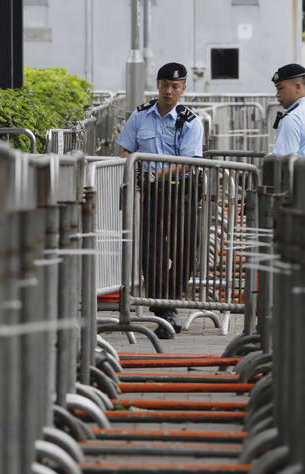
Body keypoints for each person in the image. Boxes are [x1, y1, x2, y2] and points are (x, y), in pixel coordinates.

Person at [117, 62, 204, 339]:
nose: (168, 91)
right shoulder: (140, 116)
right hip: (153, 195)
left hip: (182, 193)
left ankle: (169, 302)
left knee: (185, 254)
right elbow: (126, 151)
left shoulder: (190, 121)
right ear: (157, 85)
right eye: (165, 85)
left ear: (183, 89)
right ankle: (164, 311)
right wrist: (130, 174)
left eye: (175, 87)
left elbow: (189, 162)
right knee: (152, 254)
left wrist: (155, 174)